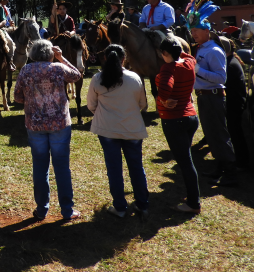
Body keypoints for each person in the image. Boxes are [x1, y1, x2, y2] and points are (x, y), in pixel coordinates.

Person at [13, 39, 82, 221]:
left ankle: (42, 209)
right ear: (51, 53)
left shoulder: (26, 71)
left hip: (35, 125)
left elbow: (17, 97)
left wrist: (32, 99)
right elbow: (77, 75)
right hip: (59, 124)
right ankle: (67, 210)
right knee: (62, 168)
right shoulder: (58, 68)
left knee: (40, 167)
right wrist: (61, 58)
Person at [86, 44, 149, 218]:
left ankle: (120, 207)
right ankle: (142, 204)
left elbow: (91, 105)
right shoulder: (135, 77)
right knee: (136, 167)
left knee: (114, 169)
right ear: (124, 59)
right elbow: (142, 104)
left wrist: (104, 113)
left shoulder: (97, 79)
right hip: (132, 129)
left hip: (107, 130)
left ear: (105, 58)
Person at [185, 0, 237, 187]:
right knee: (211, 134)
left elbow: (221, 78)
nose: (193, 34)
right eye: (192, 30)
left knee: (219, 134)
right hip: (204, 97)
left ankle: (231, 173)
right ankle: (220, 166)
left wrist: (198, 70)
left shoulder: (214, 51)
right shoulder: (201, 48)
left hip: (214, 96)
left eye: (197, 30)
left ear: (206, 30)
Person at [156, 37, 201, 214]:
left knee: (185, 162)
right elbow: (186, 54)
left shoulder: (168, 68)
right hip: (191, 117)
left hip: (175, 120)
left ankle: (193, 203)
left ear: (165, 53)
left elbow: (165, 88)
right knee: (186, 158)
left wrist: (163, 99)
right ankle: (190, 196)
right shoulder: (189, 62)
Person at [220, 37, 249, 169]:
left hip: (234, 104)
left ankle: (241, 161)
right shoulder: (231, 61)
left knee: (235, 133)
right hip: (236, 102)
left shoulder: (229, 65)